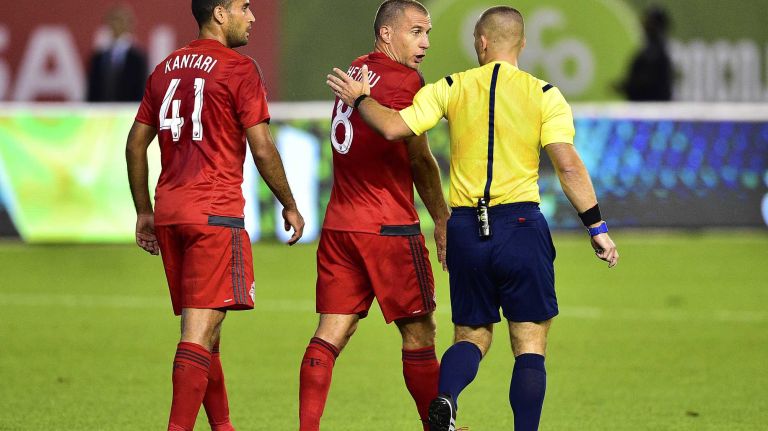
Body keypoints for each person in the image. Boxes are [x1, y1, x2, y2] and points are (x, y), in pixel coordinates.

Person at [327, 6, 619, 431]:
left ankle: (446, 397)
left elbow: (393, 128)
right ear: (522, 43)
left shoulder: (450, 87)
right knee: (530, 344)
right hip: (520, 226)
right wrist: (597, 228)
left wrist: (360, 98)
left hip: (465, 228)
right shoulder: (545, 95)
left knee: (471, 336)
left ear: (480, 42)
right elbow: (569, 167)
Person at [125, 0, 304, 430]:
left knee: (207, 336)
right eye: (244, 6)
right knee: (198, 336)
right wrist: (290, 203)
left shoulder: (166, 67)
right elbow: (262, 147)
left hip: (170, 213)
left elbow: (134, 144)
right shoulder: (239, 69)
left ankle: (224, 427)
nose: (253, 16)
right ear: (220, 14)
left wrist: (144, 212)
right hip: (214, 216)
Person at [298, 1, 450, 430]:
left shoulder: (358, 69)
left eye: (428, 33)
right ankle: (437, 425)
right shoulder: (405, 79)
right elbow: (418, 157)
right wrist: (441, 217)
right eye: (416, 31)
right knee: (420, 334)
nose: (425, 43)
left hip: (341, 224)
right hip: (388, 227)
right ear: (387, 34)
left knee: (331, 333)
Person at [87, 5, 148, 102]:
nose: (117, 25)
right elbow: (91, 92)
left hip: (127, 113)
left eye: (121, 21)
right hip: (100, 113)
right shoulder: (98, 58)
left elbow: (140, 90)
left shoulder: (138, 58)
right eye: (113, 20)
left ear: (130, 25)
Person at [618, 6, 673, 101]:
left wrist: (626, 86)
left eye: (650, 22)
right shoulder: (651, 50)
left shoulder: (655, 52)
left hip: (651, 110)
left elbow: (647, 83)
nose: (645, 25)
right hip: (647, 108)